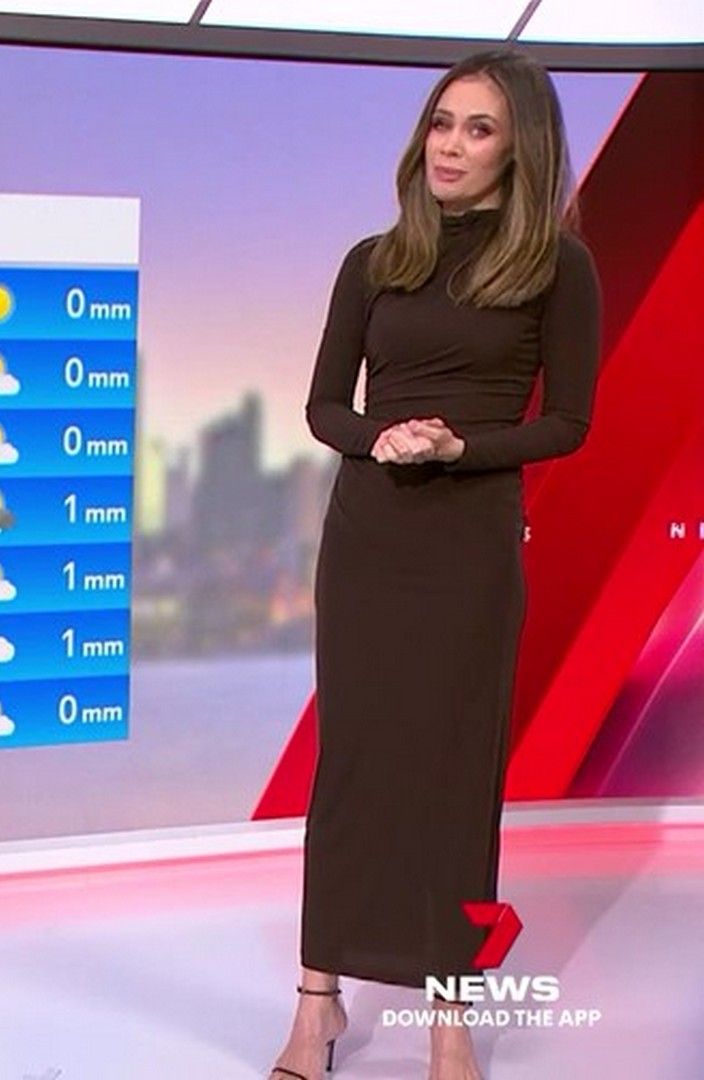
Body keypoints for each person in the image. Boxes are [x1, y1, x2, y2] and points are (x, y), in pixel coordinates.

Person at [268, 50, 601, 1080]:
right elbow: (325, 406)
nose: (449, 146)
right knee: (352, 769)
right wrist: (381, 438)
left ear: (520, 149)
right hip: (369, 538)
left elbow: (568, 422)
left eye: (478, 129)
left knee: (457, 780)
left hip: (469, 545)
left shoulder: (556, 266)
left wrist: (461, 446)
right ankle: (317, 1004)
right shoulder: (375, 259)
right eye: (441, 123)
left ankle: (449, 1018)